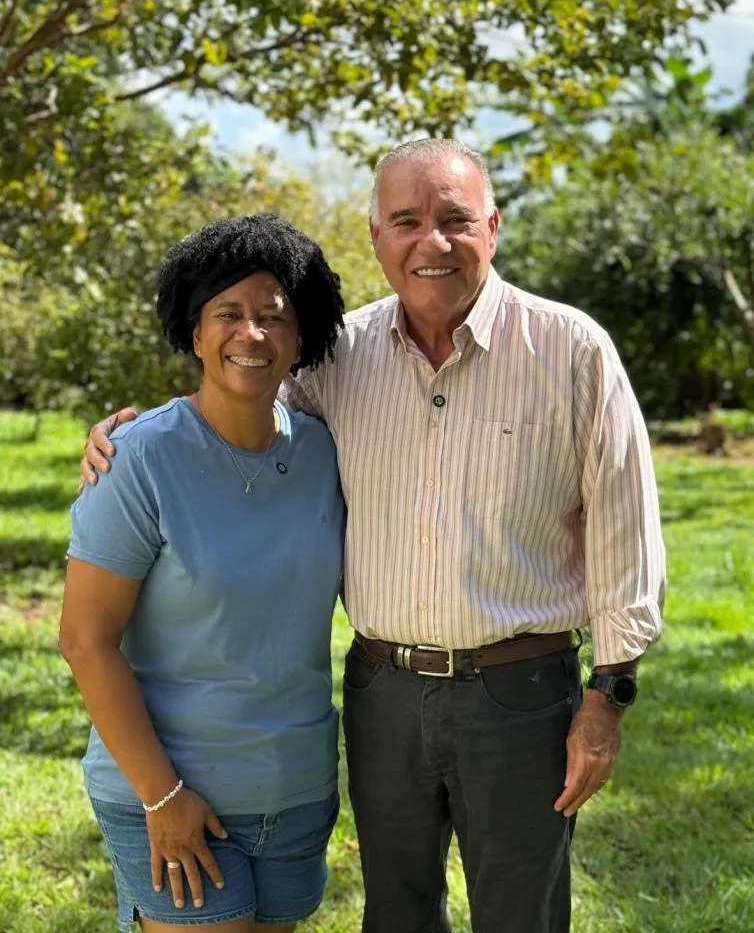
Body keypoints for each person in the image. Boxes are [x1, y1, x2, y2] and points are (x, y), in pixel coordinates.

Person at [82, 139, 666, 933]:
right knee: (396, 913)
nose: (434, 242)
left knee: (520, 915)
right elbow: (238, 393)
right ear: (376, 238)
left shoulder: (570, 351)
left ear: (492, 227)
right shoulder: (339, 356)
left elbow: (627, 535)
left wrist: (608, 697)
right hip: (380, 692)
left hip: (521, 695)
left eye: (456, 220)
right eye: (408, 221)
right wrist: (129, 433)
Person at [61, 213, 346, 933]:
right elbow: (85, 640)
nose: (251, 334)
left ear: (301, 338)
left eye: (273, 317)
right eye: (229, 314)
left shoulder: (327, 453)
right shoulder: (139, 459)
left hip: (297, 788)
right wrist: (162, 797)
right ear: (194, 333)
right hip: (170, 790)